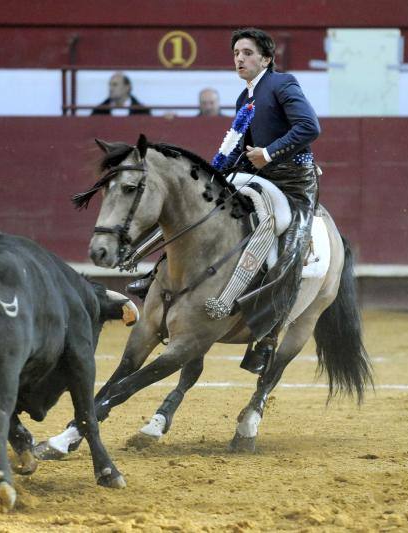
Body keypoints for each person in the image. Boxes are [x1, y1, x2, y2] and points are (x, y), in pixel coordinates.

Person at [127, 28, 320, 376]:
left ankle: (268, 334)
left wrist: (270, 152)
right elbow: (241, 151)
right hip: (258, 176)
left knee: (290, 247)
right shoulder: (244, 97)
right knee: (198, 213)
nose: (239, 59)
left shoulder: (283, 84)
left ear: (265, 58)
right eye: (235, 54)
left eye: (247, 53)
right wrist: (212, 177)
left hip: (294, 183)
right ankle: (153, 275)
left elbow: (309, 126)